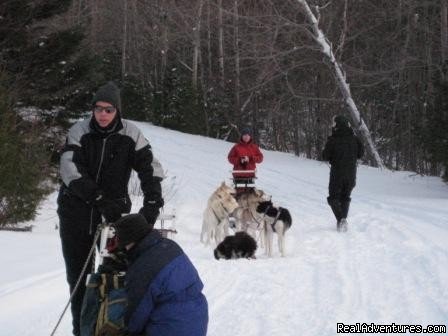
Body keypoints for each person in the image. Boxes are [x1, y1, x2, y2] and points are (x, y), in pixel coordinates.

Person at [57, 81, 164, 336]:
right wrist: (98, 197)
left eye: (109, 109)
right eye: (98, 108)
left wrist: (152, 202)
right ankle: (81, 331)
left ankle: (111, 330)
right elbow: (69, 170)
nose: (103, 114)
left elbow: (151, 168)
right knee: (80, 280)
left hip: (113, 219)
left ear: (118, 111)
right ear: (92, 109)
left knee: (115, 278)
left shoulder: (131, 134)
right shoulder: (79, 131)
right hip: (76, 214)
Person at [112, 213, 209, 336]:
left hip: (173, 328)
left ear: (131, 241)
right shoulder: (169, 245)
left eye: (124, 244)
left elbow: (134, 320)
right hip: (197, 321)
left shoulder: (144, 267)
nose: (125, 249)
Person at [322, 115, 364, 232]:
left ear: (336, 125)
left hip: (337, 173)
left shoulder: (333, 139)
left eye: (333, 124)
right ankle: (342, 221)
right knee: (345, 197)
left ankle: (341, 219)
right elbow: (361, 153)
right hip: (351, 174)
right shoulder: (355, 139)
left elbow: (325, 156)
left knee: (333, 198)